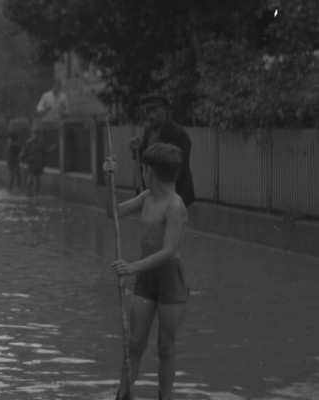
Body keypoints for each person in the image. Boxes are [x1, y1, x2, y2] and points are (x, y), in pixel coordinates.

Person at [103, 143, 190, 400]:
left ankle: (165, 397)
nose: (142, 172)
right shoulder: (147, 197)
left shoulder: (175, 206)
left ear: (150, 172)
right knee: (134, 343)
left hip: (170, 279)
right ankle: (124, 395)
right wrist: (110, 180)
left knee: (165, 347)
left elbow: (169, 251)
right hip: (146, 279)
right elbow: (113, 213)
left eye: (143, 168)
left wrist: (131, 267)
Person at [131, 95, 195, 207]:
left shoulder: (178, 135)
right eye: (147, 111)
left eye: (155, 110)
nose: (150, 115)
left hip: (175, 196)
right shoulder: (148, 130)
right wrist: (137, 149)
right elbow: (146, 160)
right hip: (155, 194)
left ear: (165, 110)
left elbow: (181, 172)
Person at [20, 128, 56, 198]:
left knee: (38, 179)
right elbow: (23, 153)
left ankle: (37, 194)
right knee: (30, 178)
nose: (36, 136)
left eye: (37, 134)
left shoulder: (40, 143)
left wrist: (51, 149)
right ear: (32, 134)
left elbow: (44, 153)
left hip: (39, 163)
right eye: (35, 134)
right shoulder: (28, 143)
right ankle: (29, 192)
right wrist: (22, 161)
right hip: (32, 162)